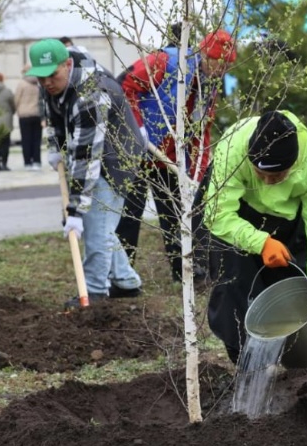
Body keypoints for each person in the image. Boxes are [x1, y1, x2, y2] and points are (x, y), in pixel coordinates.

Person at [201, 110, 307, 368]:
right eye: (260, 173)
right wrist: (260, 242)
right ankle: (249, 360)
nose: (268, 182)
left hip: (289, 217)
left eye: (277, 176)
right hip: (238, 214)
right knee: (235, 278)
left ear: (292, 166)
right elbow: (217, 215)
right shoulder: (232, 149)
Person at [28, 38, 146, 308]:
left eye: (52, 76)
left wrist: (76, 212)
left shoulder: (91, 94)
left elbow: (86, 158)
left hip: (118, 158)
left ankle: (93, 290)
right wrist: (55, 146)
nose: (46, 83)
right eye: (40, 77)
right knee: (104, 225)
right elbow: (53, 114)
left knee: (96, 225)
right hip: (93, 151)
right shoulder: (51, 81)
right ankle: (127, 282)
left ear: (67, 65)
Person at [116, 27, 236, 283]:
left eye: (227, 67)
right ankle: (121, 274)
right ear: (205, 55)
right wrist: (137, 128)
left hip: (169, 158)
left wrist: (198, 174)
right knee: (129, 213)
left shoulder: (209, 86)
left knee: (175, 213)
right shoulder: (166, 62)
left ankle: (185, 273)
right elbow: (124, 86)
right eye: (220, 64)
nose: (222, 71)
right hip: (136, 150)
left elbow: (201, 130)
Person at [15, 71, 45, 171]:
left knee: (26, 139)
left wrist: (17, 110)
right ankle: (37, 161)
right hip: (37, 114)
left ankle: (27, 162)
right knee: (37, 139)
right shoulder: (38, 84)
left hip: (24, 115)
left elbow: (16, 99)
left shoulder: (22, 84)